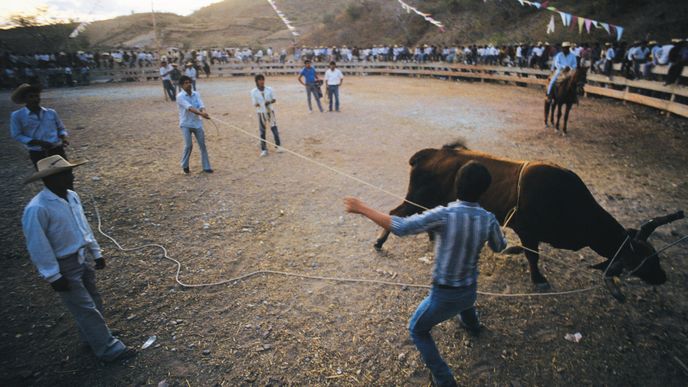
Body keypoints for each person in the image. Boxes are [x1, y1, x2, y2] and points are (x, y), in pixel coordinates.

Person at [343, 161, 507, 387]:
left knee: (417, 329)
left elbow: (401, 227)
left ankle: (443, 378)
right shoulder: (488, 218)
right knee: (465, 302)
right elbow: (499, 247)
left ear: (456, 185)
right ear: (483, 191)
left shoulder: (445, 214)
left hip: (444, 296)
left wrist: (362, 208)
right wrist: (501, 234)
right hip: (469, 292)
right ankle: (472, 325)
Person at [22, 155, 137, 362]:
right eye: (65, 174)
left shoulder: (71, 196)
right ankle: (109, 349)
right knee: (84, 306)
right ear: (50, 179)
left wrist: (96, 252)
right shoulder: (38, 208)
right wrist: (52, 275)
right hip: (64, 264)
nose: (71, 176)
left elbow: (82, 226)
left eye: (69, 172)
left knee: (93, 299)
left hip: (81, 256)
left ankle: (94, 336)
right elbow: (38, 245)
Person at [10, 83, 70, 169]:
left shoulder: (51, 112)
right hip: (37, 152)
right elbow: (16, 135)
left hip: (57, 149)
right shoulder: (17, 115)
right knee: (48, 178)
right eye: (31, 97)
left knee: (67, 174)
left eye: (37, 96)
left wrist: (63, 138)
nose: (35, 99)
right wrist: (39, 143)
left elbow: (61, 128)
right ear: (24, 99)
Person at [176, 75, 212, 174]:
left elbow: (201, 105)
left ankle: (206, 167)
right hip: (186, 124)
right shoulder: (180, 97)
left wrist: (204, 111)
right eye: (186, 83)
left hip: (197, 123)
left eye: (189, 82)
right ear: (182, 85)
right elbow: (190, 108)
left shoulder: (196, 94)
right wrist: (202, 114)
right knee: (188, 145)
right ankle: (185, 165)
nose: (188, 84)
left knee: (202, 145)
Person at [251, 74, 283, 157]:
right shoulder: (253, 92)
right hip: (261, 112)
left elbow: (274, 99)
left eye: (263, 79)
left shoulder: (269, 89)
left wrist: (269, 102)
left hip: (270, 111)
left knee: (274, 128)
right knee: (262, 131)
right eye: (260, 80)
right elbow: (255, 104)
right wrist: (261, 104)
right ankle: (264, 149)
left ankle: (278, 146)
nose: (262, 81)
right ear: (257, 81)